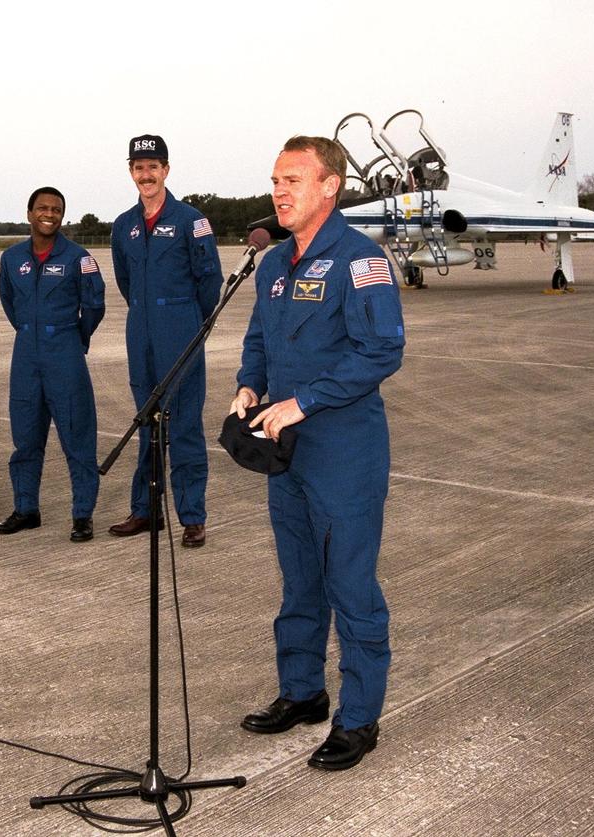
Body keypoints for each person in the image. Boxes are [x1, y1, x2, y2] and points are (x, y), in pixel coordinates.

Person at [230, 136, 405, 771]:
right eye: (275, 180)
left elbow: (382, 350)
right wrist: (249, 383)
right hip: (286, 448)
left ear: (329, 186)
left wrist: (302, 401)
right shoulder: (274, 264)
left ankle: (358, 719)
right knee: (299, 581)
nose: (278, 191)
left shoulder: (362, 260)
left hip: (343, 449)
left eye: (292, 181)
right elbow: (259, 337)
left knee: (350, 585)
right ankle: (302, 692)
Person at [109, 134, 222, 547]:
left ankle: (192, 517)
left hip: (182, 331)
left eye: (153, 166)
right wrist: (146, 310)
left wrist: (191, 321)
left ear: (166, 170)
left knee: (186, 425)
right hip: (141, 331)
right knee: (146, 425)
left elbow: (210, 280)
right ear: (131, 172)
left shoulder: (192, 220)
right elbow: (124, 279)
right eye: (139, 167)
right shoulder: (124, 225)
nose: (146, 174)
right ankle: (146, 511)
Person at [0, 187, 106, 543]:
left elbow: (95, 305)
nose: (49, 214)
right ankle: (26, 509)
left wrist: (74, 338)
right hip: (26, 353)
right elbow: (9, 301)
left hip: (65, 354)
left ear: (62, 216)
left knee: (77, 436)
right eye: (42, 208)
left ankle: (82, 515)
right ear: (29, 214)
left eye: (56, 209)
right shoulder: (11, 259)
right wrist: (30, 331)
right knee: (25, 437)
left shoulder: (79, 258)